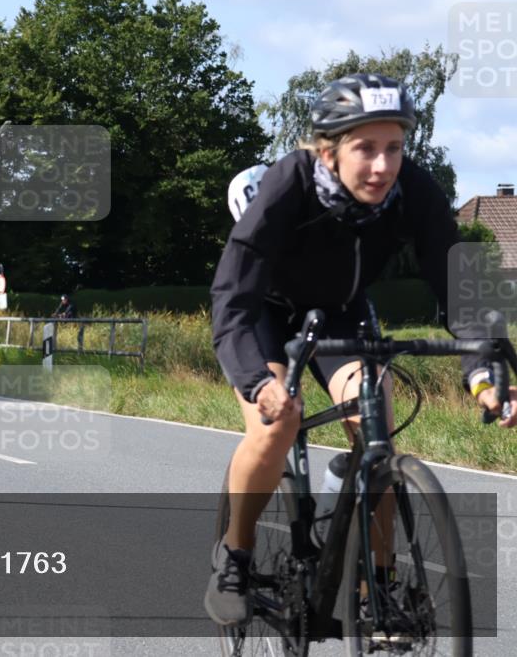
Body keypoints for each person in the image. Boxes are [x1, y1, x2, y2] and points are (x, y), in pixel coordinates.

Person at [204, 73, 517, 627]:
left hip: (339, 312)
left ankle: (381, 588)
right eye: (365, 148)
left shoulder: (412, 190)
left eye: (394, 147)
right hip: (264, 314)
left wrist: (484, 366)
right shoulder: (287, 185)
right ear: (329, 151)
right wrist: (258, 380)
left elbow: (459, 285)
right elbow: (234, 293)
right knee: (277, 421)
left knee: (376, 418)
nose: (382, 165)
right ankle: (235, 554)